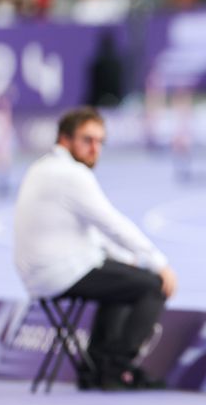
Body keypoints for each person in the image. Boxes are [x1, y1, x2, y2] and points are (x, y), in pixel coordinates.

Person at [13, 107, 177, 390]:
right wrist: (158, 263)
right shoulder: (71, 174)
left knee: (122, 279)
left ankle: (98, 368)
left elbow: (92, 236)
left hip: (46, 272)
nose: (94, 148)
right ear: (64, 140)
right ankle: (116, 367)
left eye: (100, 142)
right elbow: (112, 224)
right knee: (152, 286)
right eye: (87, 140)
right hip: (59, 272)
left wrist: (129, 260)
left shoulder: (43, 167)